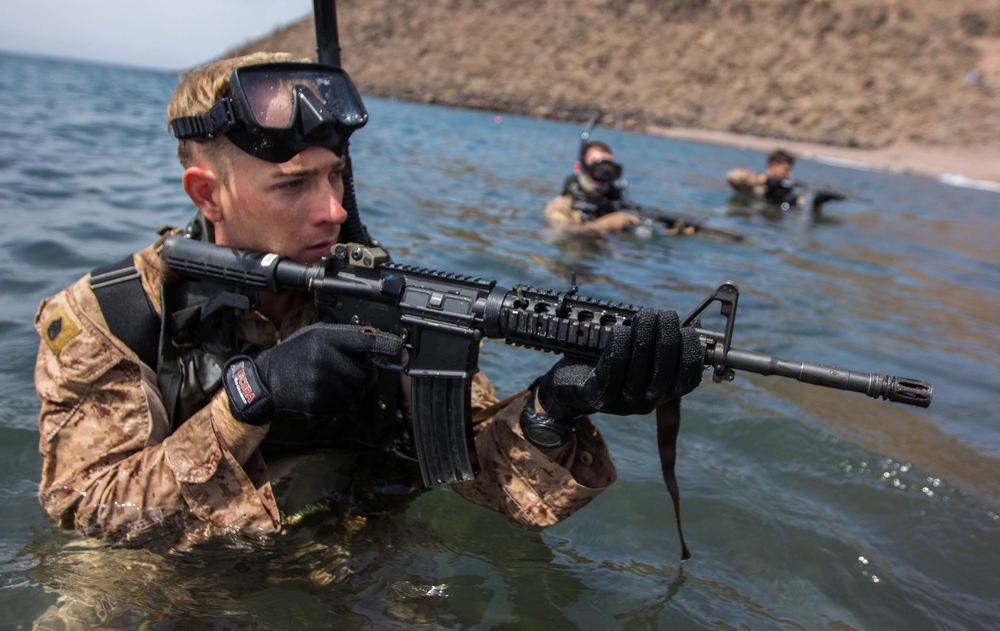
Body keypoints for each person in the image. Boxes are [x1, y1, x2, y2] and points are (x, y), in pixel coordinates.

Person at [33, 52, 704, 545]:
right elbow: (89, 509)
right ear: (207, 194)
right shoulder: (112, 315)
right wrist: (249, 400)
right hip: (175, 588)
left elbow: (481, 477)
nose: (331, 210)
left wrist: (555, 405)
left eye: (336, 178)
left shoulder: (378, 298)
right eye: (293, 185)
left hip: (353, 565)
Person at [545, 140, 695, 236]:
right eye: (598, 170)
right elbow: (563, 232)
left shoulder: (613, 204)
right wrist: (607, 225)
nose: (604, 178)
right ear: (580, 168)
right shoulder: (561, 205)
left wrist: (667, 231)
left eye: (610, 172)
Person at [727, 149, 843, 212]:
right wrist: (766, 180)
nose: (789, 175)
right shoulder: (755, 183)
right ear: (773, 166)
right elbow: (733, 177)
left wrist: (816, 202)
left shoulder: (785, 189)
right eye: (786, 171)